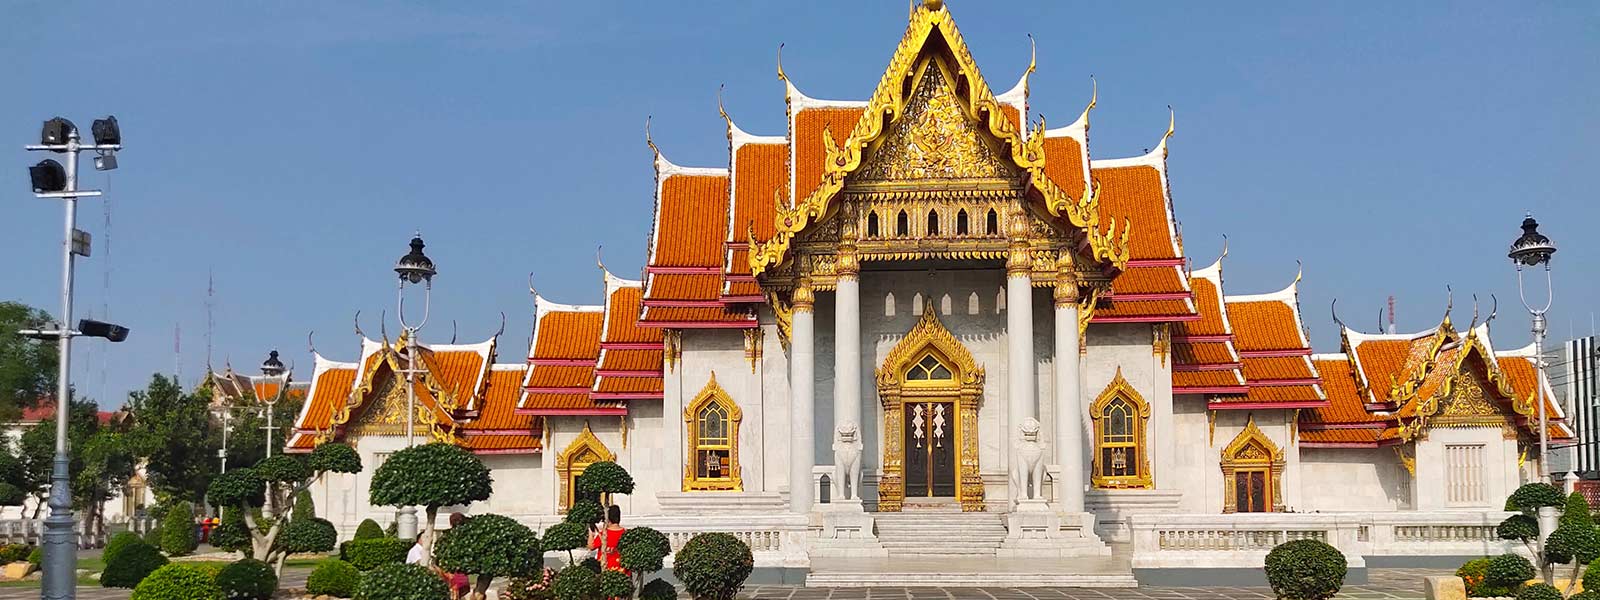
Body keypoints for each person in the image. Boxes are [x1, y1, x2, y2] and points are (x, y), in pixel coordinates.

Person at [589, 505, 627, 572]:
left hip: (606, 571)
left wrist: (591, 534)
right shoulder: (626, 534)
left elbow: (591, 546)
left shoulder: (603, 534)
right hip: (622, 571)